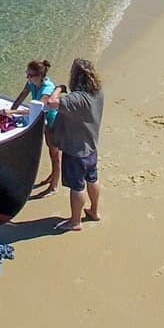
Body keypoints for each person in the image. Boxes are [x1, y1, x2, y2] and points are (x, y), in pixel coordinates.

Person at [43, 58, 104, 231]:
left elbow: (51, 103)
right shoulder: (98, 92)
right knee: (92, 179)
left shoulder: (76, 99)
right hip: (91, 147)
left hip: (76, 151)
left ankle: (75, 221)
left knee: (77, 187)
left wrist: (58, 89)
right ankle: (94, 211)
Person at [19, 59, 62, 195]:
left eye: (30, 75)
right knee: (50, 151)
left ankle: (54, 186)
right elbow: (22, 95)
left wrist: (12, 112)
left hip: (54, 122)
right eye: (27, 74)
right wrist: (10, 110)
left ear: (40, 76)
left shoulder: (47, 89)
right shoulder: (31, 83)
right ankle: (52, 176)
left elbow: (36, 109)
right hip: (43, 121)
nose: (28, 77)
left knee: (55, 154)